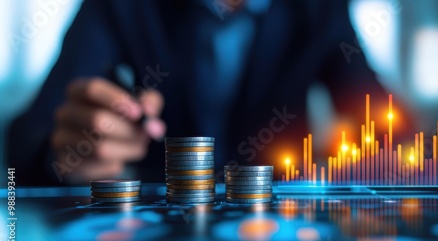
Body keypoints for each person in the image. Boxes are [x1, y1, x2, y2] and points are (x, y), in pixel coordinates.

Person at [8, 0, 386, 185]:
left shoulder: (321, 9)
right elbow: (23, 145)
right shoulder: (118, 5)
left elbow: (386, 128)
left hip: (280, 237)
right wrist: (64, 157)